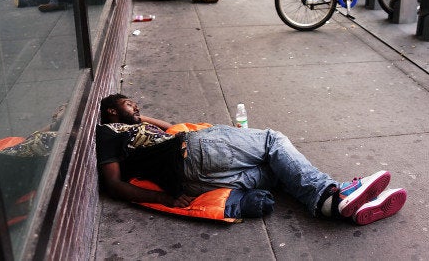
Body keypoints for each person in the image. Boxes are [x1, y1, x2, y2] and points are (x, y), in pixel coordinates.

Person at [96, 94, 407, 225]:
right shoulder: (109, 132)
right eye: (129, 104)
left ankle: (338, 206)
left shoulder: (133, 132)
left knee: (276, 172)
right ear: (111, 111)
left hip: (197, 182)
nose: (136, 109)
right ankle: (329, 192)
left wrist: (138, 115)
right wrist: (163, 198)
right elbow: (112, 183)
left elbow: (167, 127)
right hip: (192, 153)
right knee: (273, 140)